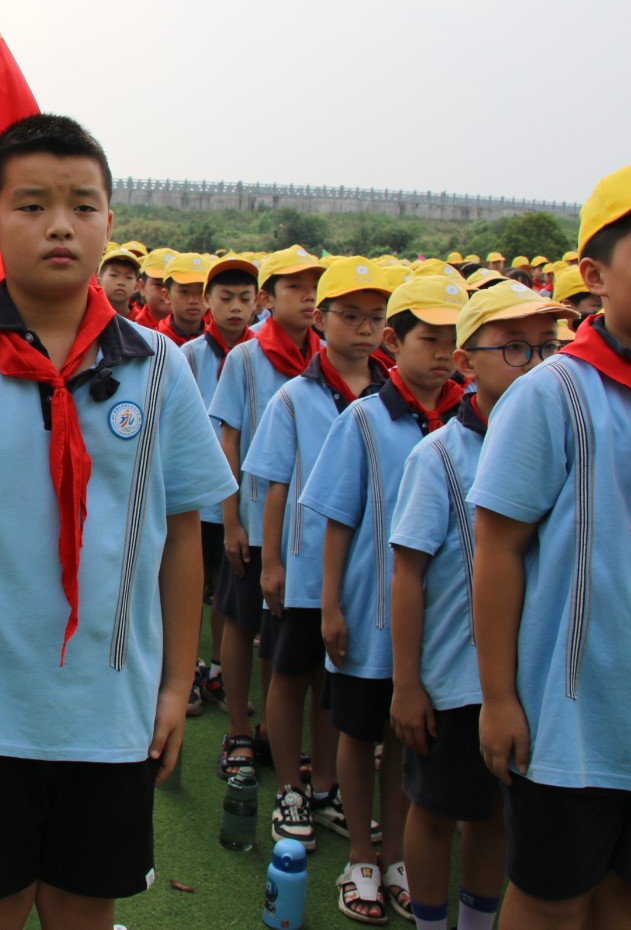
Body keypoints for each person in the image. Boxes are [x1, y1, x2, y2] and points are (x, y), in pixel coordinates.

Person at [0, 114, 235, 929]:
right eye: (31, 205)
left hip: (109, 707)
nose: (60, 224)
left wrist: (174, 683)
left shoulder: (159, 368)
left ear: (109, 223)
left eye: (82, 205)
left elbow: (180, 539)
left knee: (81, 910)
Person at [472, 160, 631, 930]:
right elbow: (498, 548)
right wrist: (497, 699)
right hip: (573, 718)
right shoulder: (555, 395)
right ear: (595, 272)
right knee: (551, 904)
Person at [391, 282, 569, 930]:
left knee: (497, 814)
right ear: (467, 362)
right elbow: (407, 573)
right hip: (453, 683)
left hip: (530, 680)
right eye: (515, 348)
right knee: (437, 811)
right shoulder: (438, 454)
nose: (537, 366)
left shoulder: (559, 442)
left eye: (547, 349)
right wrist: (407, 684)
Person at [302, 274, 470, 924]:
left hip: (439, 621)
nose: (442, 353)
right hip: (370, 610)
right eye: (430, 339)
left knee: (411, 736)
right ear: (394, 342)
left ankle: (398, 853)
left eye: (453, 340)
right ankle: (362, 857)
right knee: (358, 728)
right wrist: (331, 606)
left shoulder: (467, 418)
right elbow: (338, 519)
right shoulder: (366, 419)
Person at [243, 257, 392, 853]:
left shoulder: (391, 393)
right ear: (322, 319)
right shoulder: (295, 396)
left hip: (365, 576)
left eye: (375, 318)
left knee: (337, 685)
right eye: (349, 315)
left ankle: (325, 787)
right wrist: (272, 562)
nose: (363, 328)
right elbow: (275, 483)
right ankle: (290, 789)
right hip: (304, 570)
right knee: (290, 675)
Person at [209, 246, 325, 779]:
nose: (308, 296)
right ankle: (237, 727)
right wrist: (231, 519)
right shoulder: (247, 358)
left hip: (309, 527)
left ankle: (274, 736)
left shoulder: (326, 357)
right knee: (239, 619)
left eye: (314, 287)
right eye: (295, 287)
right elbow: (227, 440)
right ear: (268, 299)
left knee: (280, 629)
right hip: (255, 520)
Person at [181, 255, 259, 714]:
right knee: (193, 583)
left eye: (245, 299)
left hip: (237, 497)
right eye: (225, 298)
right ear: (208, 301)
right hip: (198, 491)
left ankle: (219, 669)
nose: (235, 307)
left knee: (228, 594)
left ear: (257, 303)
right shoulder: (190, 354)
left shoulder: (256, 355)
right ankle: (188, 667)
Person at [155, 253, 212, 345]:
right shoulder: (155, 341)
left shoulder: (216, 342)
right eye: (184, 291)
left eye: (201, 291)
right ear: (166, 295)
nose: (193, 300)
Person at [132, 248, 175, 328]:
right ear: (142, 287)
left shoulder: (199, 335)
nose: (166, 292)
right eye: (159, 285)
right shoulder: (130, 331)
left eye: (172, 285)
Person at [95, 243, 141, 317]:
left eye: (128, 277)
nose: (121, 282)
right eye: (114, 275)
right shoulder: (87, 316)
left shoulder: (142, 323)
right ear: (99, 282)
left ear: (136, 287)